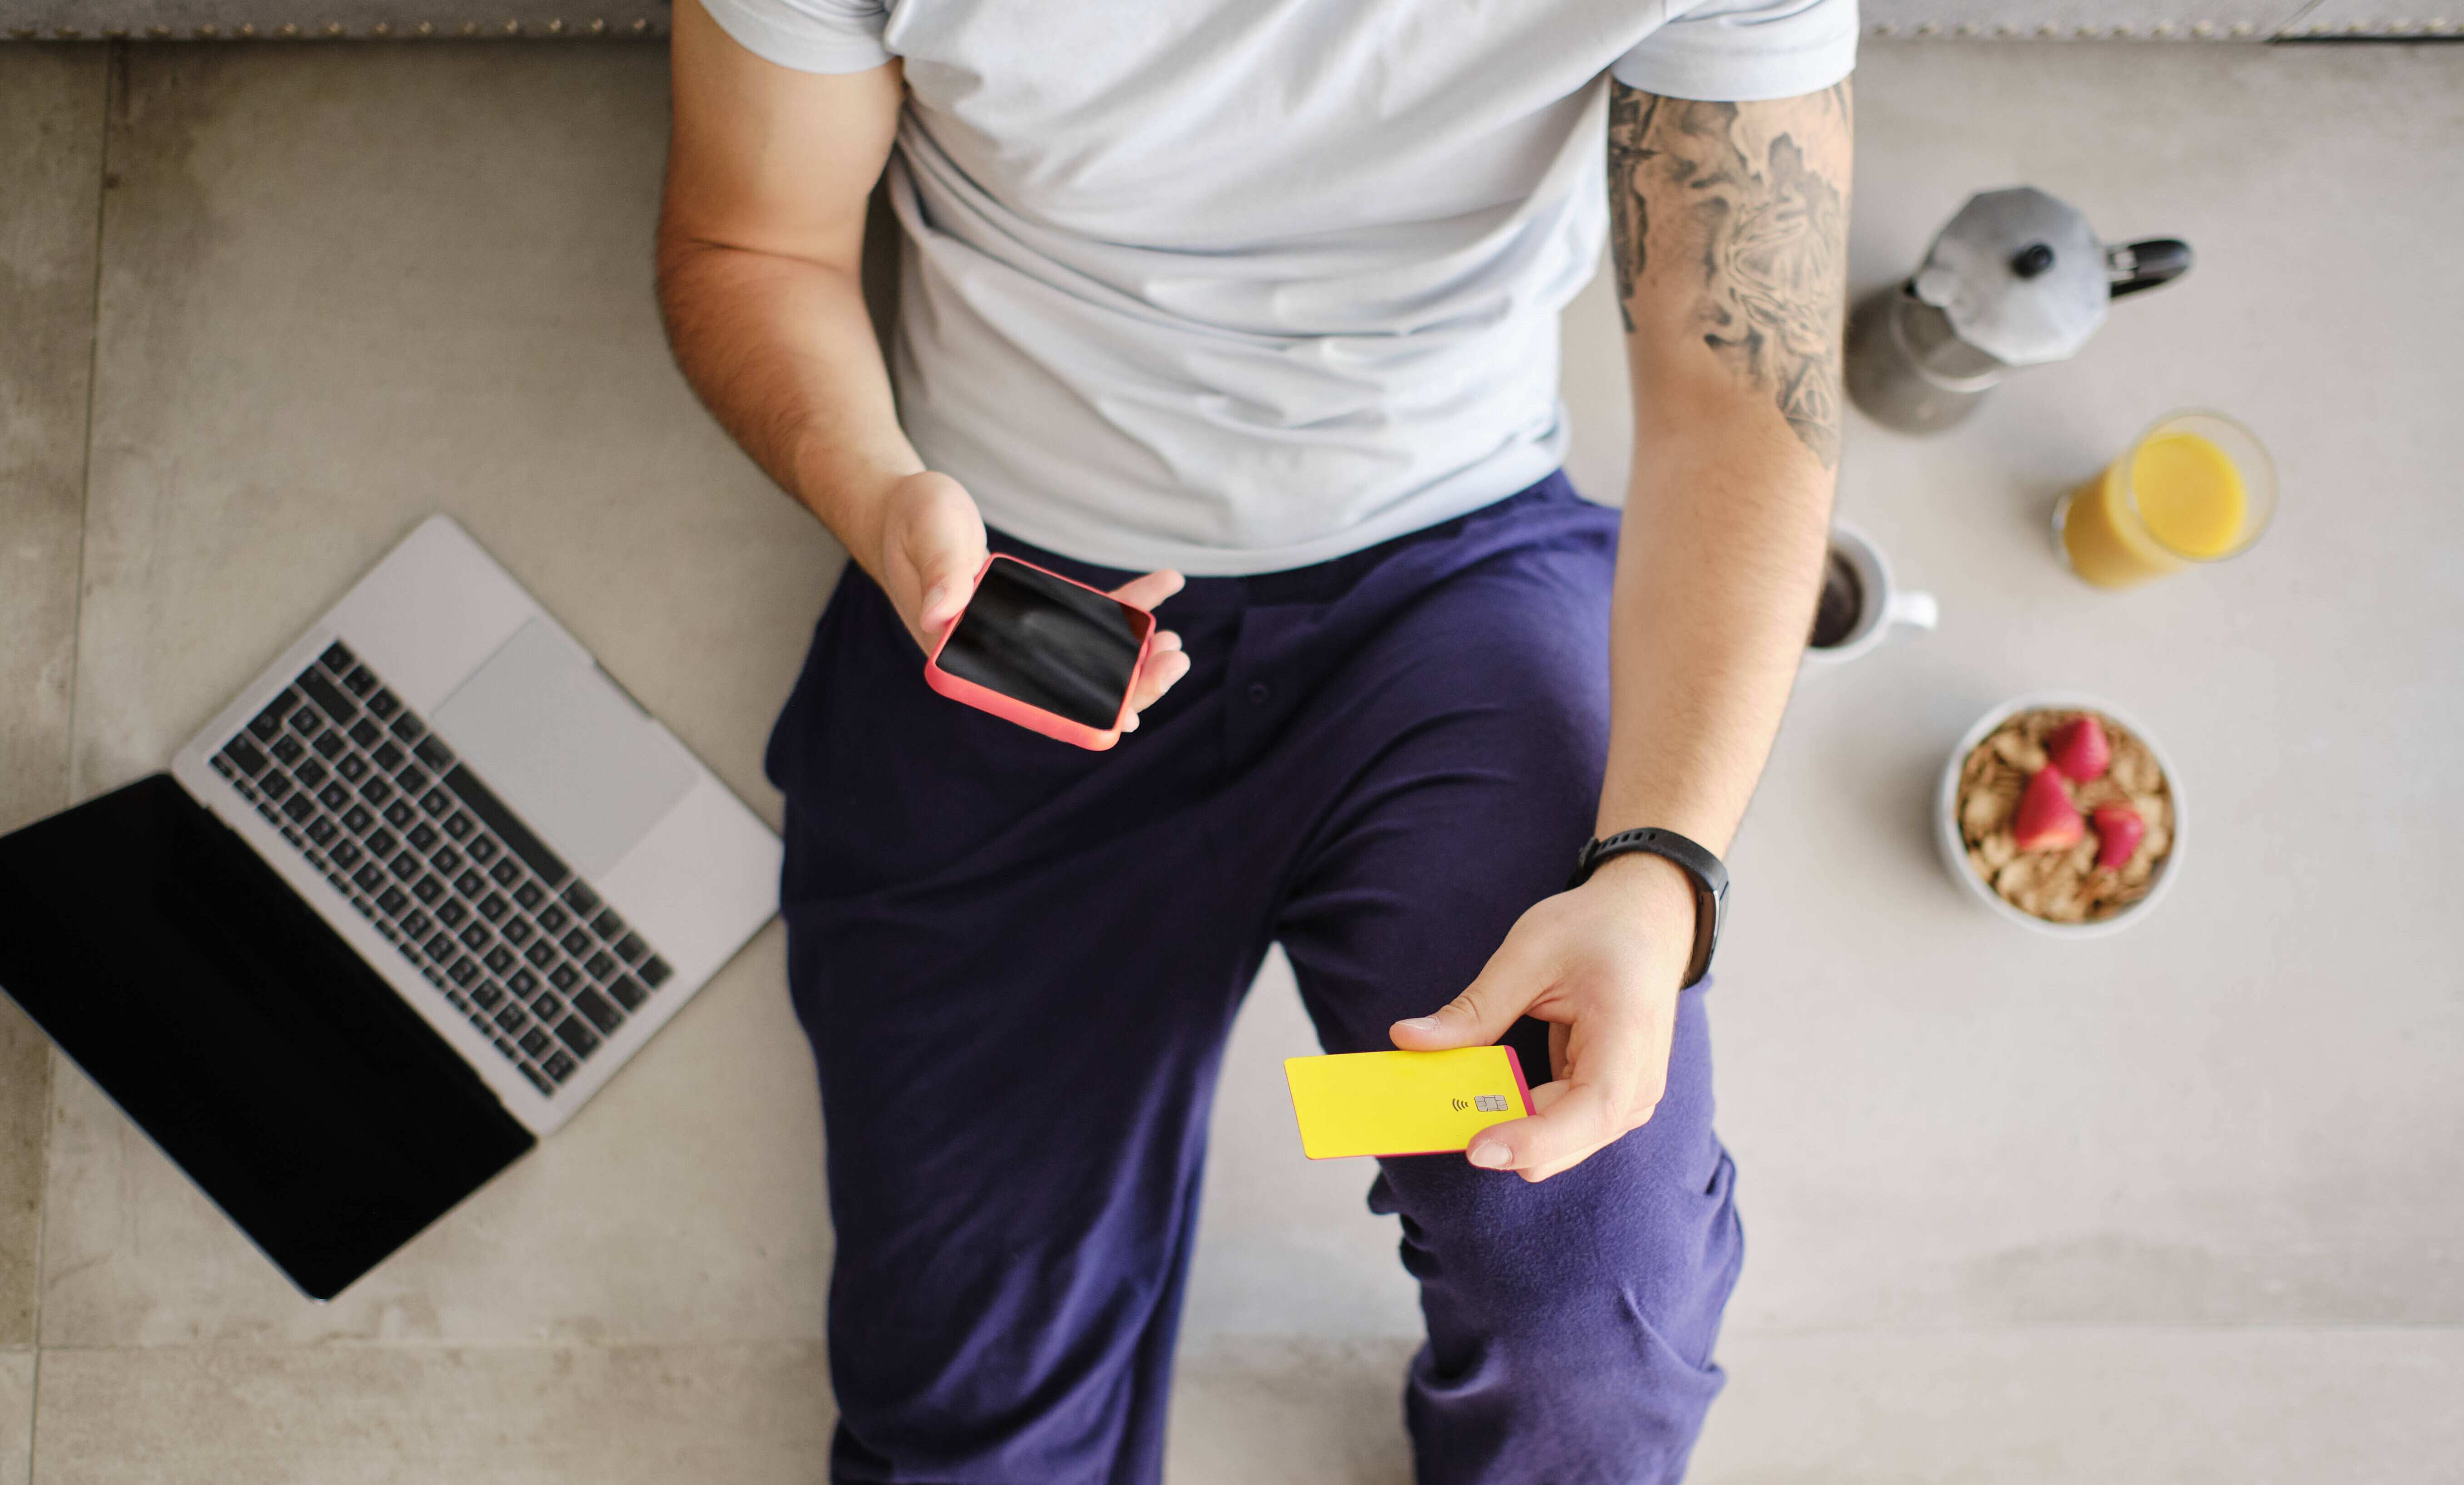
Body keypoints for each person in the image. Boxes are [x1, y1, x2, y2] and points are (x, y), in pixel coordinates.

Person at [656, 0, 1855, 1479]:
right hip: (1016, 593)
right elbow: (750, 246)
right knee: (968, 1440)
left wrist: (1660, 871)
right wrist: (877, 495)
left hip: (1454, 567)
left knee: (1595, 1324)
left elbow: (1744, 388)